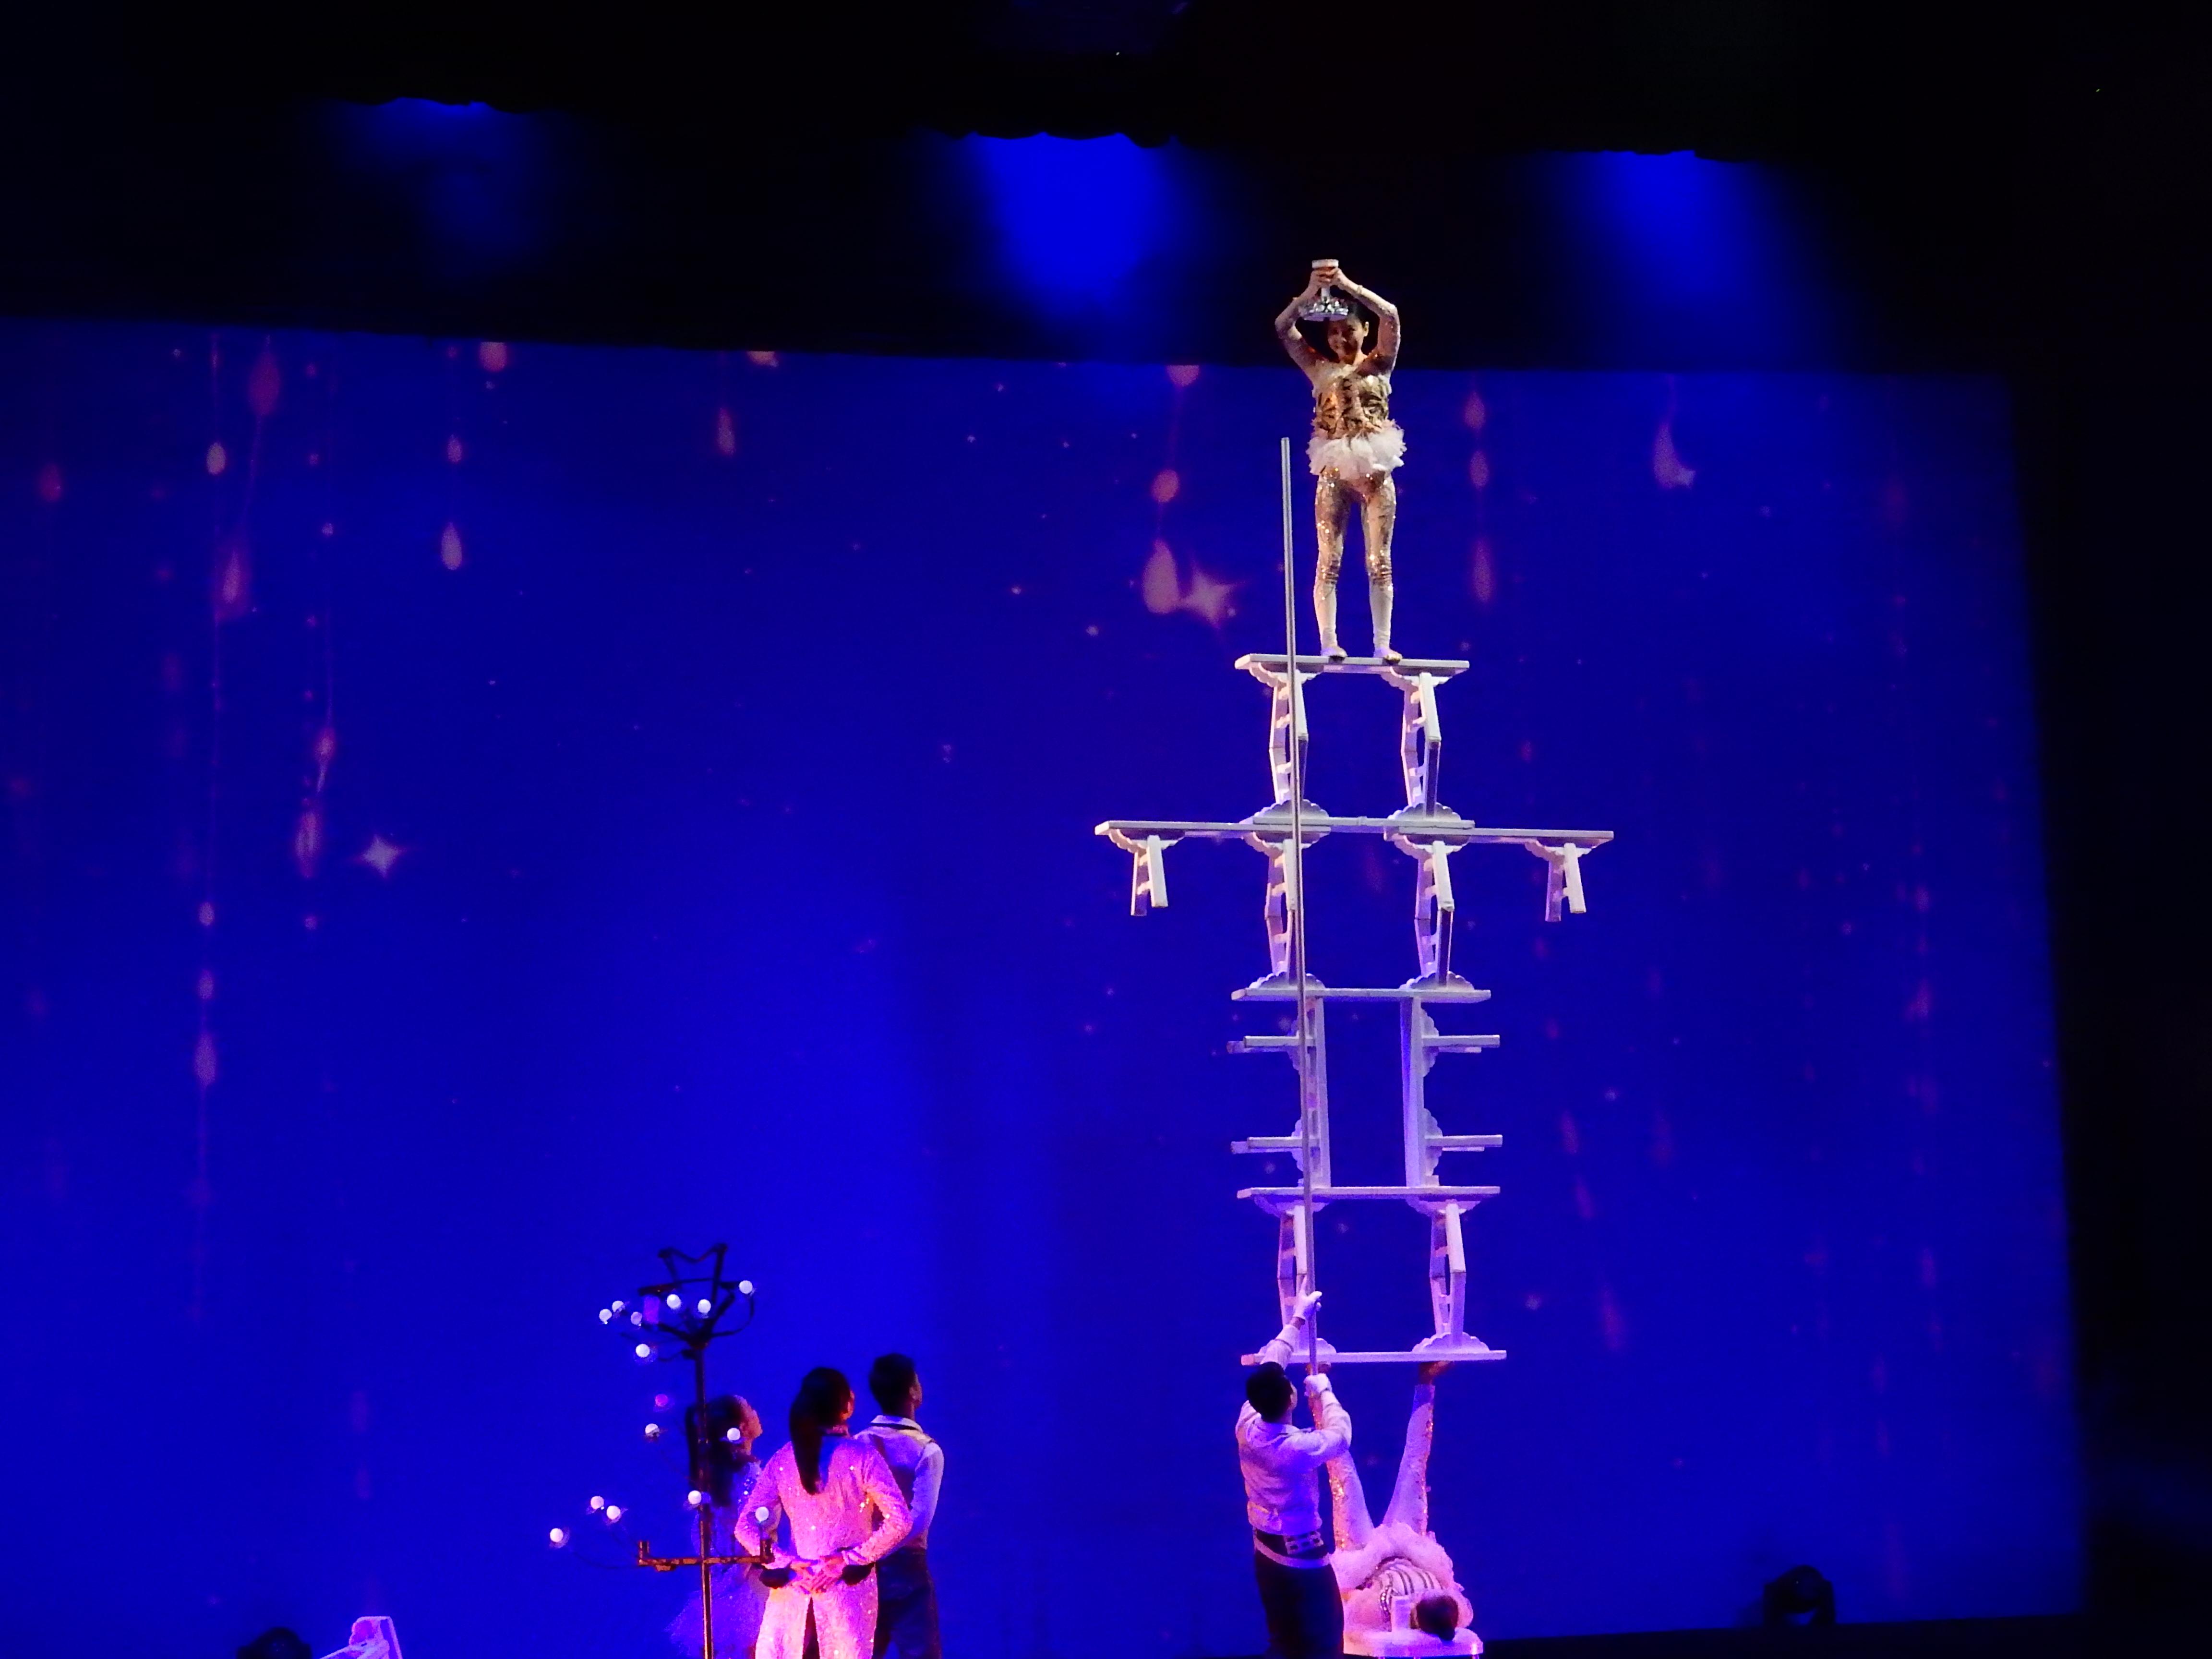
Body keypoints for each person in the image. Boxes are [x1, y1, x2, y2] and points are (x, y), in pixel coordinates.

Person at [1274, 259, 1406, 664]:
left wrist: (1347, 285)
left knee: (1379, 561)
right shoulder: (1320, 369)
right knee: (1329, 558)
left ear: (1364, 330)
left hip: (1375, 471)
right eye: (1333, 332)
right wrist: (1311, 293)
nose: (1340, 338)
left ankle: (1382, 644)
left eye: (1348, 329)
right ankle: (1329, 642)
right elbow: (1284, 328)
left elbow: (1391, 316)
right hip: (1334, 470)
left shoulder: (1379, 364)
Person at [735, 1368, 911, 1659]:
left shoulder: (784, 1458)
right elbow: (901, 1521)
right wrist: (851, 1559)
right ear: (846, 1405)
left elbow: (745, 1527)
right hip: (846, 1594)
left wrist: (788, 1564)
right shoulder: (862, 1456)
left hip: (795, 1590)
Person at [1328, 1364, 1477, 1657]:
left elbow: (1347, 1593)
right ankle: (1426, 1381)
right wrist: (1405, 1545)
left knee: (1344, 1475)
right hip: (1410, 1545)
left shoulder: (1382, 1610)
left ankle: (1319, 1384)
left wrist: (1377, 1552)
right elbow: (1442, 1572)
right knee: (1415, 1467)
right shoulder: (1455, 1609)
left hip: (1365, 1553)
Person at [1238, 1289, 1351, 1659]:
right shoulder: (1293, 1449)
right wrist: (1325, 1392)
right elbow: (1340, 1436)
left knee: (1283, 1641)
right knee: (1324, 1640)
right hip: (1298, 1552)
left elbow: (1273, 1360)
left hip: (1265, 1547)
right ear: (1291, 1398)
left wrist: (1298, 1319)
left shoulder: (1248, 1421)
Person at [853, 1354, 944, 1659]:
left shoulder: (857, 1444)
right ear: (913, 1391)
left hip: (860, 1564)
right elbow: (919, 1519)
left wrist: (866, 1552)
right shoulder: (926, 1450)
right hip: (907, 1566)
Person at [668, 1394, 770, 1659]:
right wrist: (737, 1574)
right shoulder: (750, 1475)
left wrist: (721, 1576)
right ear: (742, 1426)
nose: (756, 1412)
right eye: (750, 1408)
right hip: (748, 1583)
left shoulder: (715, 1477)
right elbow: (752, 1530)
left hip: (723, 1583)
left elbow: (702, 1532)